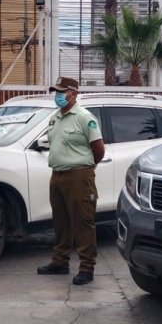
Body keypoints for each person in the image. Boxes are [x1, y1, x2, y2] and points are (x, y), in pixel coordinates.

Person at [37, 77, 105, 286]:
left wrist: (85, 168)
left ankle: (86, 268)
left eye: (61, 92)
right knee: (60, 221)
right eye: (56, 92)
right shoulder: (55, 118)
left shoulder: (85, 118)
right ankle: (60, 262)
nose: (57, 96)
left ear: (73, 93)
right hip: (57, 175)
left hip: (79, 176)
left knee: (82, 222)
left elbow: (99, 150)